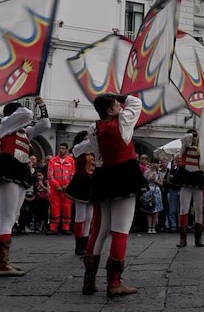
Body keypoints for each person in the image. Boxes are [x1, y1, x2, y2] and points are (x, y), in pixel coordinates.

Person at [82, 92, 144, 298]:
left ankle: (89, 281)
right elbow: (136, 101)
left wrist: (108, 101)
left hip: (103, 176)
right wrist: (119, 95)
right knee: (120, 230)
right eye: (117, 105)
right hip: (123, 174)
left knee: (98, 230)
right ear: (110, 110)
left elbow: (98, 157)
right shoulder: (123, 122)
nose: (121, 106)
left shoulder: (93, 129)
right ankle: (114, 283)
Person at [0, 96, 50, 277]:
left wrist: (42, 105)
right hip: (9, 169)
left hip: (20, 171)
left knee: (13, 216)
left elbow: (46, 124)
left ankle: (3, 261)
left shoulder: (25, 131)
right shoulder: (6, 123)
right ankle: (2, 264)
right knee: (7, 218)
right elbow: (27, 113)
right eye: (18, 110)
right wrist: (31, 106)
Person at [173, 129, 204, 248]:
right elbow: (184, 143)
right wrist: (192, 136)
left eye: (196, 136)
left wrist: (201, 138)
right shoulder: (184, 147)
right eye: (193, 136)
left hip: (197, 176)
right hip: (186, 177)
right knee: (184, 209)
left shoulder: (201, 148)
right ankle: (183, 238)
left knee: (199, 209)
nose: (194, 138)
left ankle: (198, 237)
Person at [67, 130, 95, 254]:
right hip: (81, 183)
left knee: (89, 217)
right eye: (84, 138)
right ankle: (79, 245)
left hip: (92, 183)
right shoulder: (77, 150)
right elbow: (82, 146)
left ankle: (86, 242)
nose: (87, 140)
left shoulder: (95, 152)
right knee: (80, 216)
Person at [142, 158, 164, 233]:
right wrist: (148, 179)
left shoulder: (159, 173)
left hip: (156, 191)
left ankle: (154, 227)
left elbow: (161, 184)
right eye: (153, 163)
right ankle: (149, 227)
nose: (155, 165)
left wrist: (156, 180)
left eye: (156, 163)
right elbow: (143, 182)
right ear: (150, 163)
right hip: (148, 191)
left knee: (155, 211)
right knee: (148, 210)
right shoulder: (146, 172)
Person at [166, 153, 181, 233]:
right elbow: (169, 180)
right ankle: (173, 226)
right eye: (177, 159)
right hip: (173, 190)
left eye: (180, 159)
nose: (178, 160)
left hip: (181, 190)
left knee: (181, 210)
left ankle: (180, 226)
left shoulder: (183, 169)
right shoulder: (172, 169)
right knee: (172, 209)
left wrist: (174, 178)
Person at [33, 169, 50, 233]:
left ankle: (41, 227)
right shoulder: (36, 183)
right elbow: (35, 190)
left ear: (43, 175)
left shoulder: (46, 182)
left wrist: (41, 184)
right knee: (39, 212)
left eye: (40, 175)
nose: (38, 177)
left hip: (45, 199)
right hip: (38, 199)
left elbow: (47, 190)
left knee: (44, 213)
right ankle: (41, 226)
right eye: (37, 176)